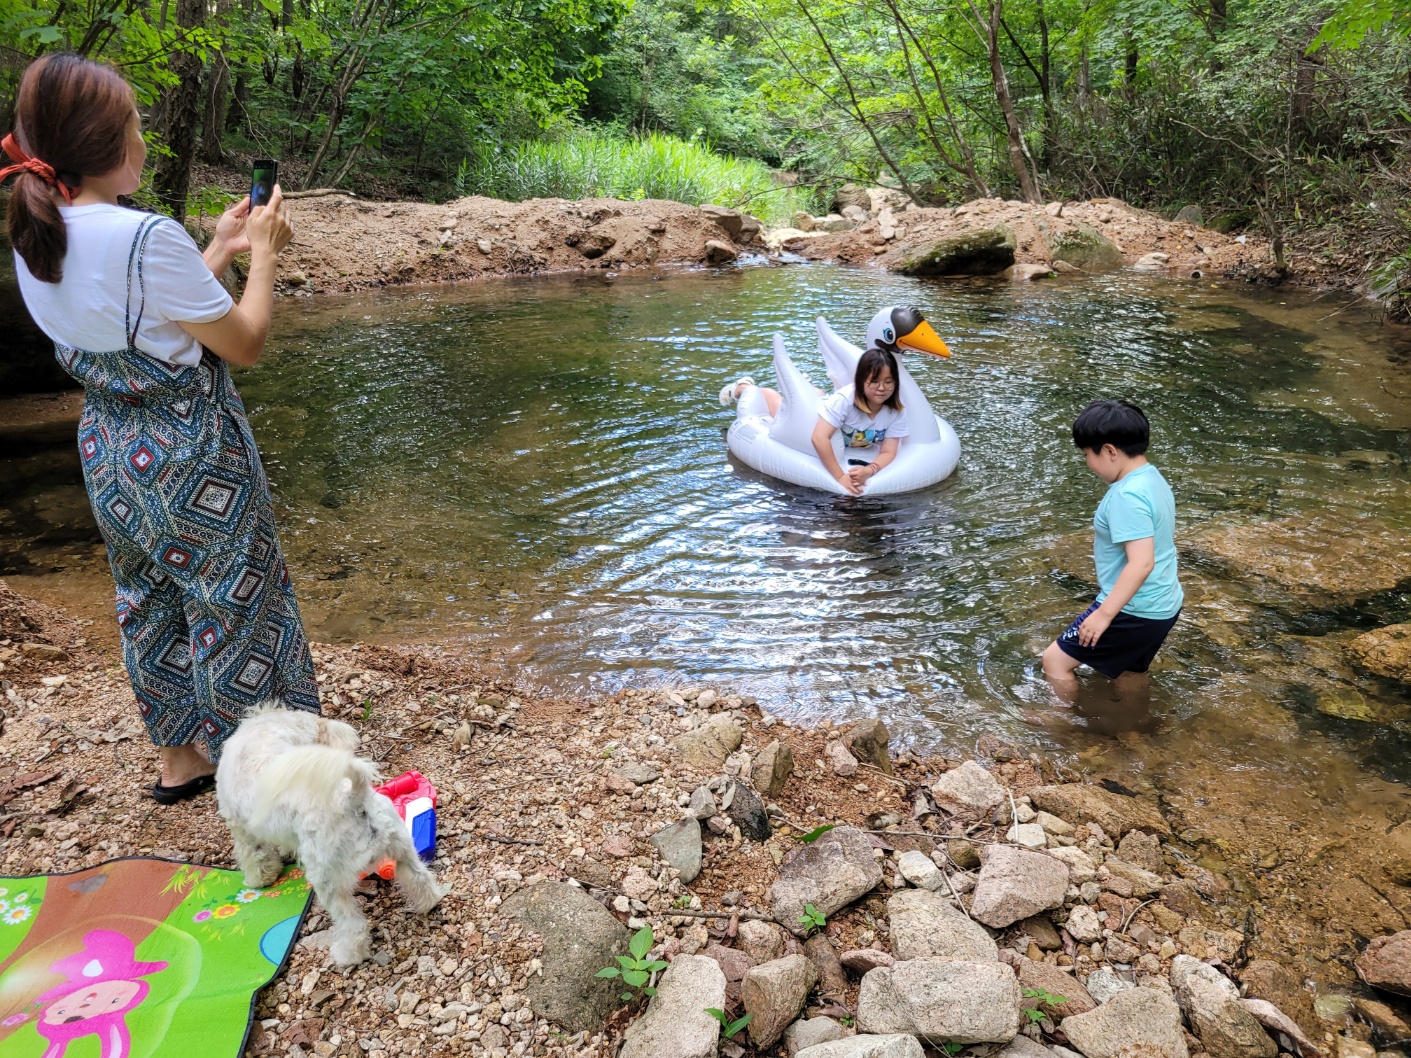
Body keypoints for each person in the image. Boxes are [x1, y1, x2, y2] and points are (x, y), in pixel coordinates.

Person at [4, 53, 320, 803]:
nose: (143, 139)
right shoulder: (145, 236)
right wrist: (265, 258)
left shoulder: (37, 235)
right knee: (233, 601)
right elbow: (240, 343)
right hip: (192, 453)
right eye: (136, 125)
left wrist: (215, 249)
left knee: (148, 598)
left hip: (112, 449)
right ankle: (263, 779)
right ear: (107, 144)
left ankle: (181, 760)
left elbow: (145, 321)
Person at [1041, 399, 1183, 703]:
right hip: (1163, 605)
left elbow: (1141, 563)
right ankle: (1132, 727)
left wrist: (1104, 615)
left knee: (1055, 660)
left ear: (1109, 451)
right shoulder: (1152, 479)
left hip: (1134, 610)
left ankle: (1062, 731)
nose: (1087, 464)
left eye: (1086, 455)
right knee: (1130, 671)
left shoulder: (1126, 495)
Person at [810, 347, 909, 496]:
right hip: (817, 416)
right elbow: (819, 438)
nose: (881, 388)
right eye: (874, 381)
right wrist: (840, 477)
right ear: (862, 380)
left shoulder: (896, 410)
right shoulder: (845, 400)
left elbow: (889, 451)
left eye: (888, 382)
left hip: (856, 447)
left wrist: (869, 470)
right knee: (790, 404)